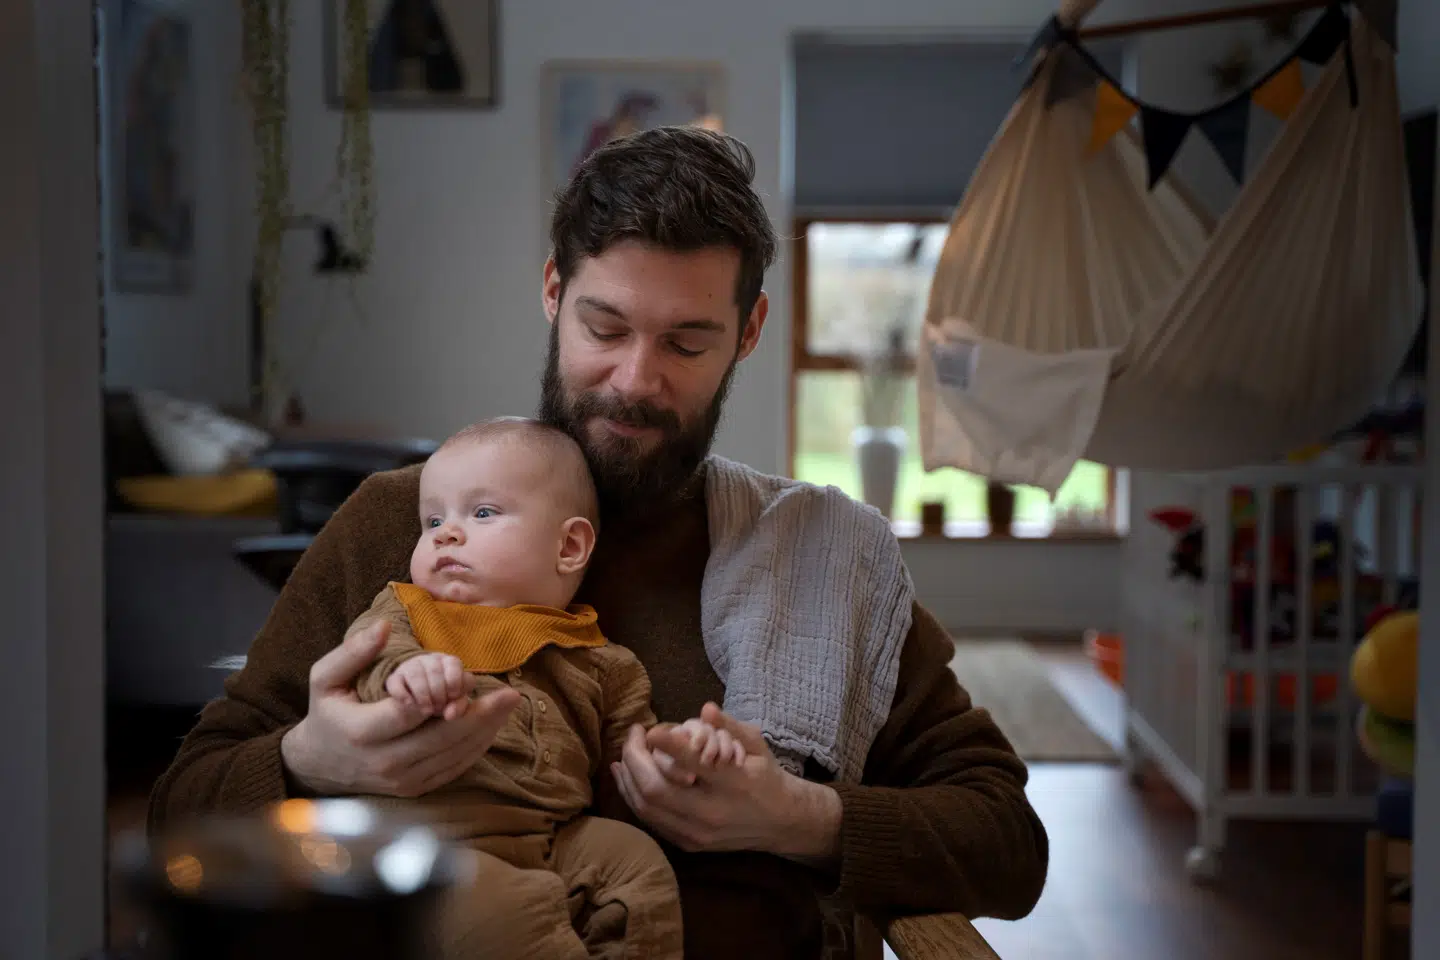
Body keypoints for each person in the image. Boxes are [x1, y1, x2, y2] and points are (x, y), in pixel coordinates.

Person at [148, 126, 1049, 960]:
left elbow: (1010, 845)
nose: (635, 381)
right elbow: (180, 812)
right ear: (553, 292)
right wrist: (311, 762)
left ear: (749, 331)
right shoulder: (407, 522)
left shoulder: (815, 555)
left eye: (687, 343)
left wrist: (797, 816)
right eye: (605, 328)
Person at [344, 416, 737, 959]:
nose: (445, 533)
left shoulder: (599, 657)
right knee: (510, 910)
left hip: (556, 836)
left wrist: (679, 754)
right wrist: (404, 673)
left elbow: (631, 755)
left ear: (570, 546)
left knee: (635, 863)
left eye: (482, 513)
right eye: (432, 519)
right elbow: (365, 656)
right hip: (432, 840)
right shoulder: (409, 611)